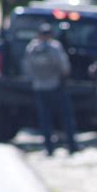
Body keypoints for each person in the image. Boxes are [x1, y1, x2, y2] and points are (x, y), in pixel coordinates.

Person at [24, 23, 78, 156]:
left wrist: (36, 80)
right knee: (66, 117)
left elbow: (27, 68)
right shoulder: (55, 47)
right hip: (56, 86)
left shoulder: (32, 48)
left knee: (44, 119)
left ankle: (49, 148)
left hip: (39, 87)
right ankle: (71, 146)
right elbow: (64, 67)